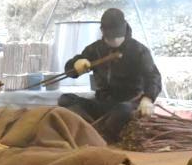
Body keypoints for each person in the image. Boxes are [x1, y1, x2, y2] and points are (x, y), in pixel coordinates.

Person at [57, 8, 162, 143]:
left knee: (122, 111)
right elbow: (70, 71)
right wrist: (75, 65)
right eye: (109, 38)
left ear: (124, 30)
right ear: (103, 32)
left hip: (129, 104)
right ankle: (93, 128)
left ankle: (97, 133)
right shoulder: (95, 49)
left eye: (117, 37)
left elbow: (153, 77)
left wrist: (148, 99)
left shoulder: (138, 50)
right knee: (65, 99)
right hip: (102, 103)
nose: (114, 41)